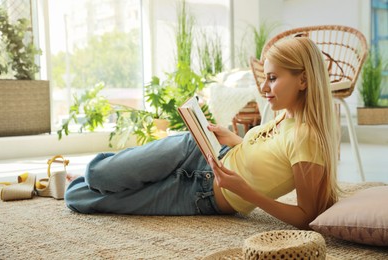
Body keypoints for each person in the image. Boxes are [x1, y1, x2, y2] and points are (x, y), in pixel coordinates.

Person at [65, 36, 339, 230]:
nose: (265, 88)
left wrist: (245, 192)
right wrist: (232, 139)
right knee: (97, 173)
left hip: (202, 195)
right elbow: (268, 156)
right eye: (266, 77)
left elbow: (307, 216)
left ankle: (88, 181)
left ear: (303, 80)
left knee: (77, 197)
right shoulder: (284, 115)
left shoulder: (307, 138)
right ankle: (96, 176)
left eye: (273, 78)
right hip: (196, 151)